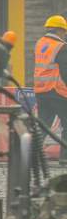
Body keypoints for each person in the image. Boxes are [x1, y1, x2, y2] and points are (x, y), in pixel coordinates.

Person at [34, 16, 67, 166]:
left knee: (43, 124)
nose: (64, 35)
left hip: (41, 90)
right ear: (58, 30)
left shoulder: (39, 43)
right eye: (64, 32)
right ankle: (65, 158)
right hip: (57, 91)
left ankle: (34, 155)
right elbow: (65, 71)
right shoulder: (61, 47)